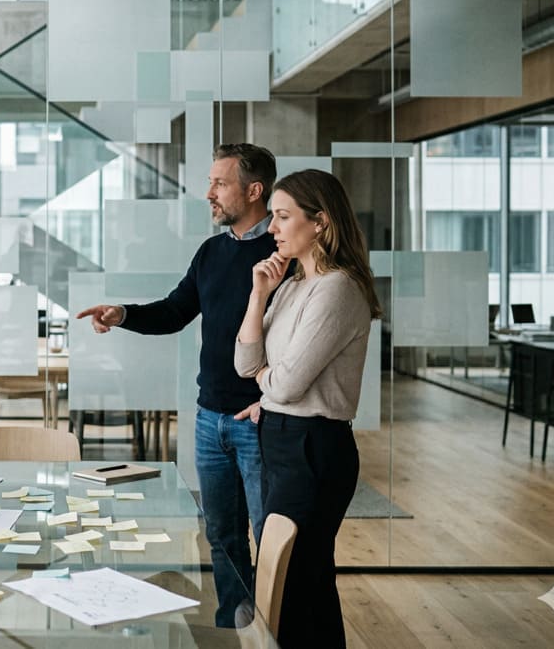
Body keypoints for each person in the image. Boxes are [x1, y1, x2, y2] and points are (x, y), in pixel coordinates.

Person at [76, 143, 279, 628]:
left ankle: (273, 633)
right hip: (210, 419)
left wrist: (273, 401)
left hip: (261, 419)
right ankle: (236, 625)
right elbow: (174, 311)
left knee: (269, 538)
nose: (208, 193)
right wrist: (121, 314)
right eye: (210, 182)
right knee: (222, 535)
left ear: (254, 190)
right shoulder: (212, 251)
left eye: (219, 183)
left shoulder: (282, 253)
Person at [234, 169, 382, 648]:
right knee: (304, 581)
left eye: (282, 216)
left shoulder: (337, 289)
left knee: (292, 584)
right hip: (282, 439)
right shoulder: (293, 284)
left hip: (313, 449)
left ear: (320, 222)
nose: (272, 228)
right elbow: (244, 362)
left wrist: (268, 386)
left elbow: (288, 382)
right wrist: (259, 295)